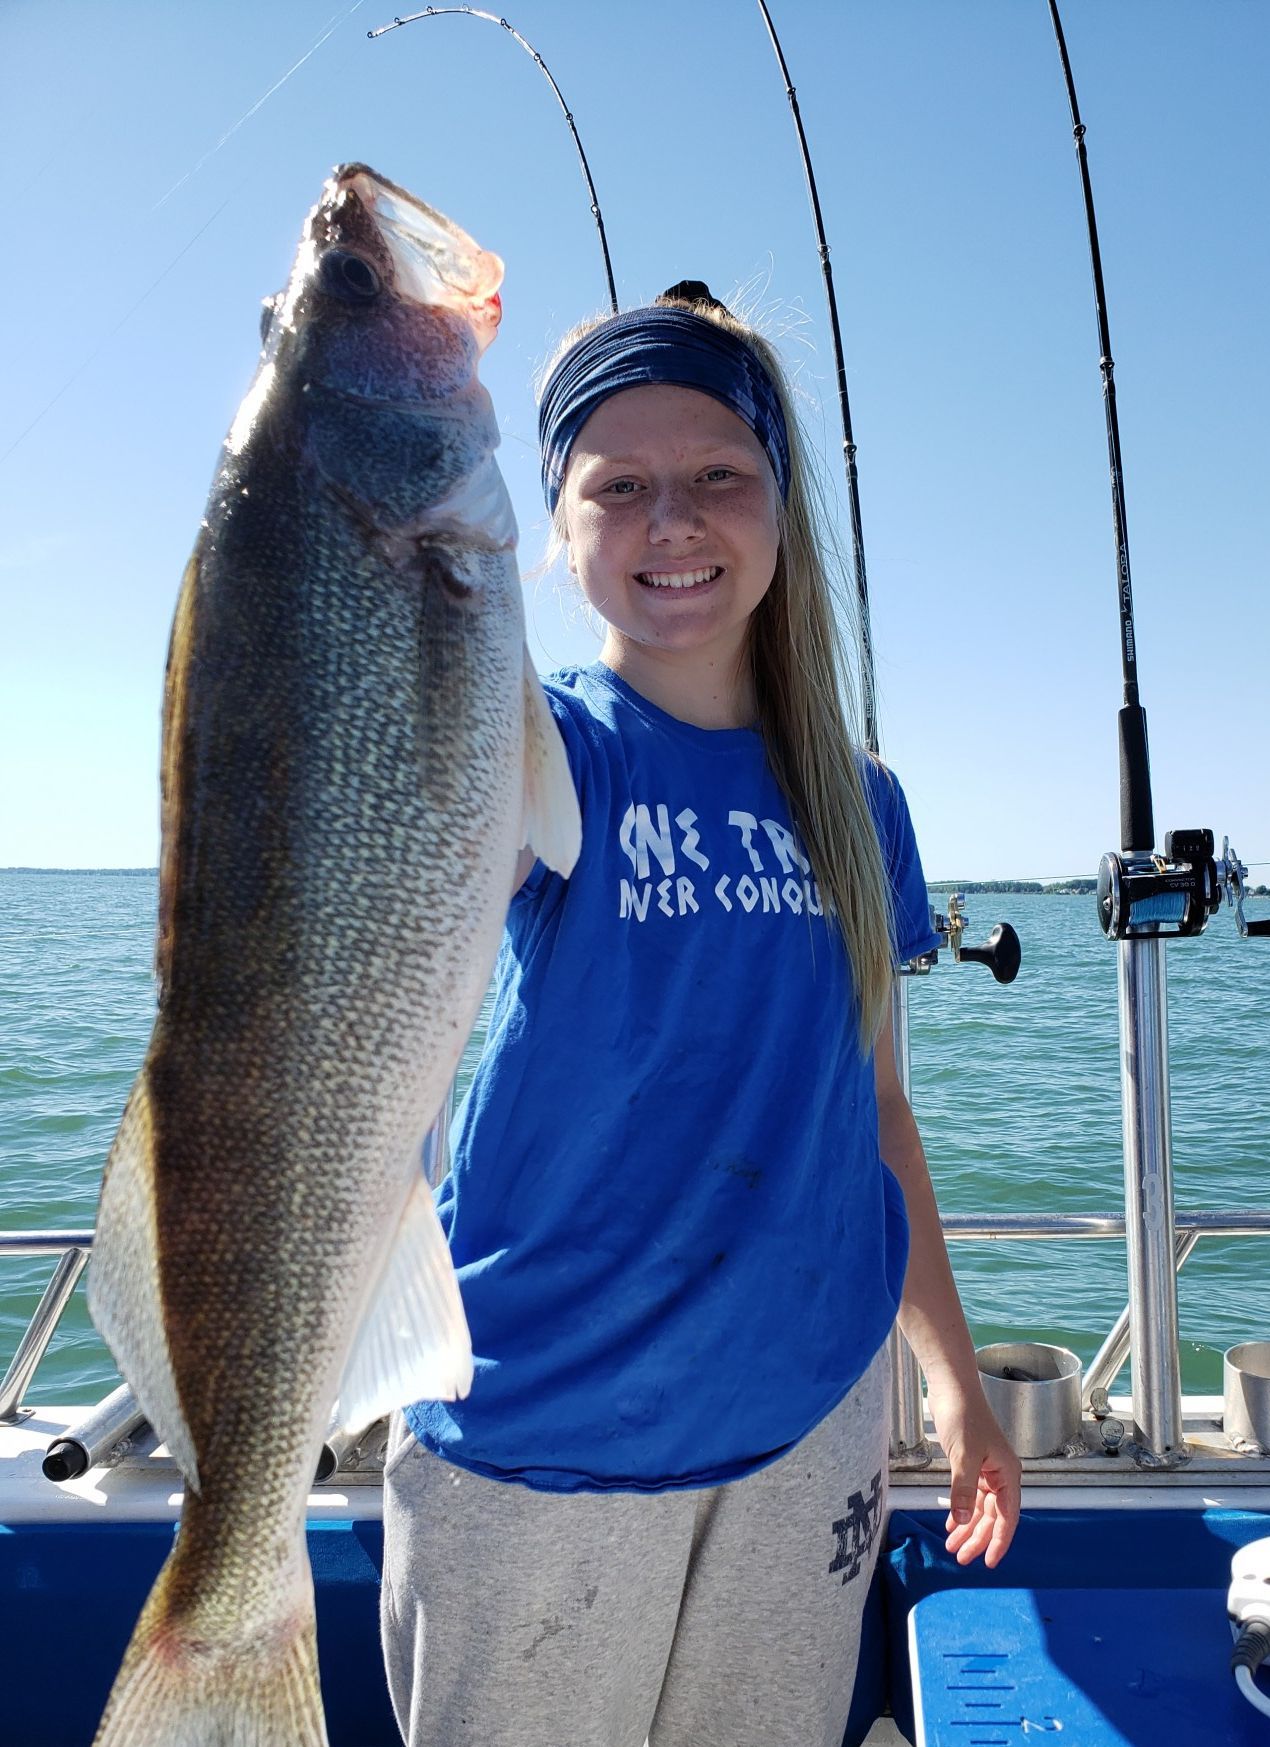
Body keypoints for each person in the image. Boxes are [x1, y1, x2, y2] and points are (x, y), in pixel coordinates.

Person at [379, 283, 1020, 1747]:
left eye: (718, 476)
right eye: (619, 489)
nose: (673, 521)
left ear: (781, 509)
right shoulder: (533, 745)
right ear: (554, 532)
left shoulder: (862, 800)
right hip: (539, 1432)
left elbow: (874, 1111)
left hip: (802, 1431)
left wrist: (956, 1386)